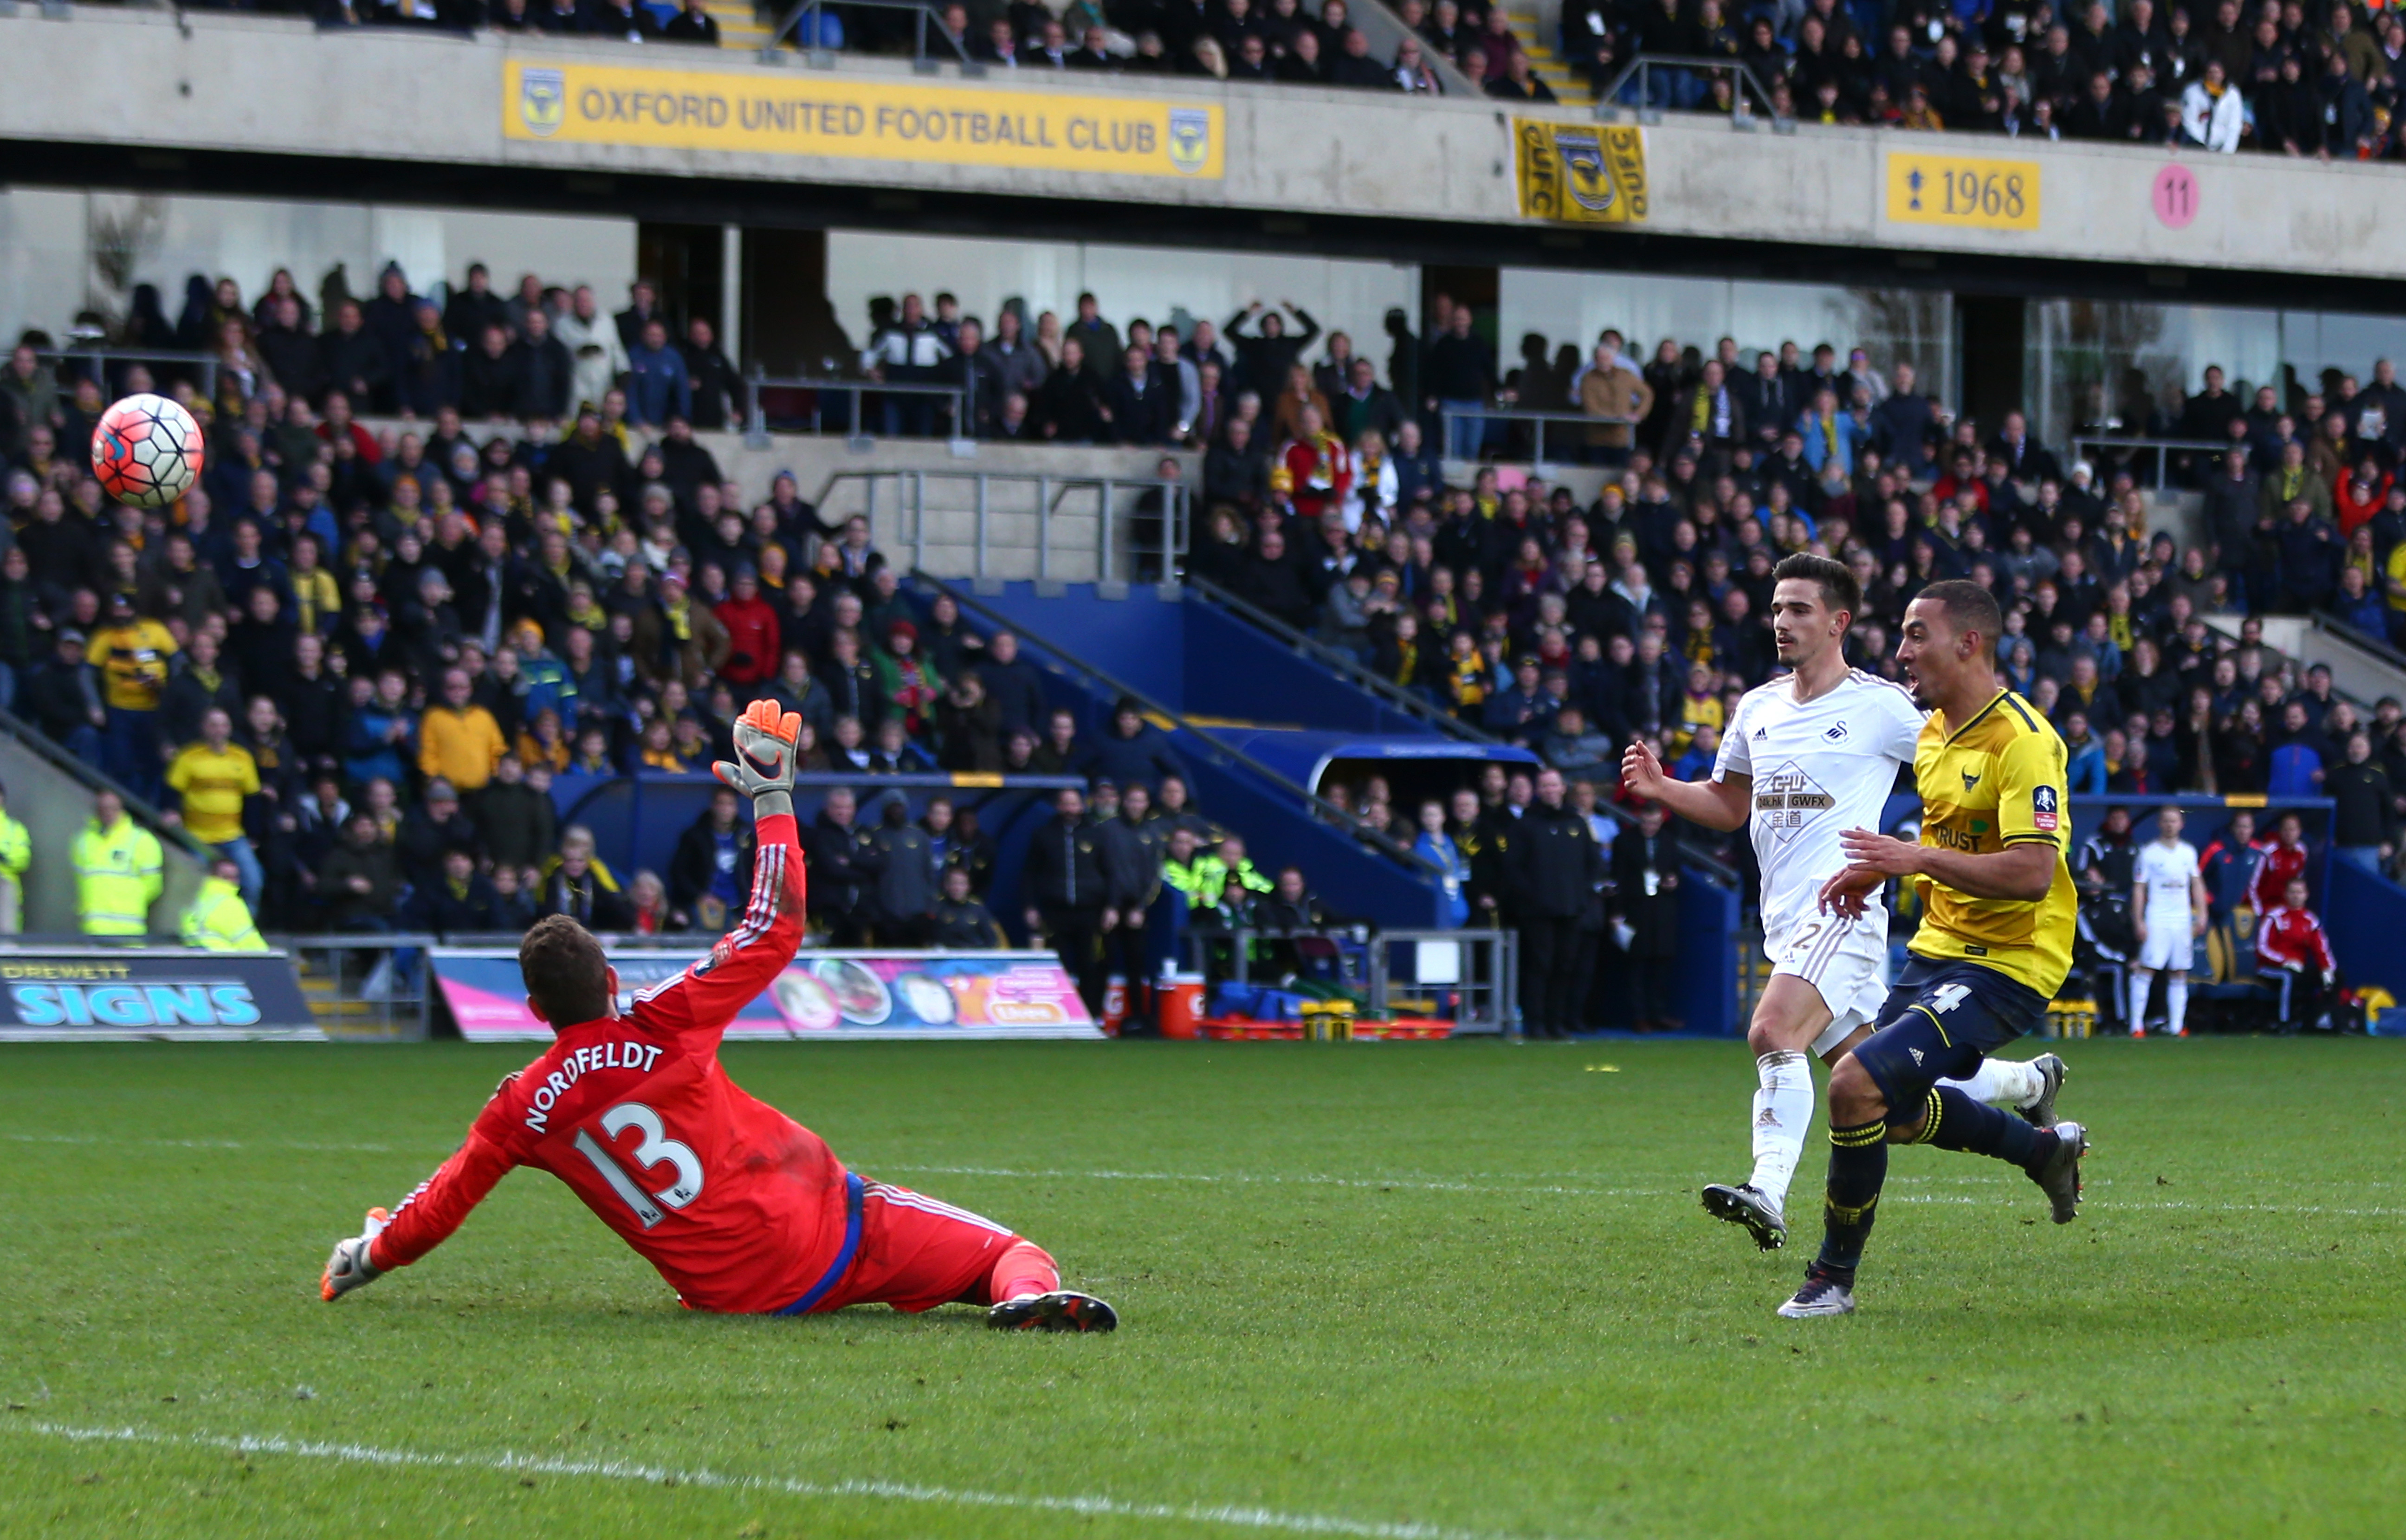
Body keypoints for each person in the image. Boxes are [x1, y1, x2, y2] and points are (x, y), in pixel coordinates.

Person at [321, 702, 1115, 1333]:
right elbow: (772, 926)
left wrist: (367, 1254)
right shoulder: (660, 1021)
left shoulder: (523, 1105)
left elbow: (441, 1203)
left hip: (735, 1295)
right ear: (607, 976)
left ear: (534, 1010)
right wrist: (772, 798)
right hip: (831, 1231)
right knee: (1011, 1250)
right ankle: (1024, 1294)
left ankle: (1014, 1296)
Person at [1624, 554, 2060, 1249]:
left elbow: (1959, 761)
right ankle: (2027, 1096)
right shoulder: (1757, 708)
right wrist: (1663, 789)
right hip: (1785, 922)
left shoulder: (1883, 706)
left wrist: (1918, 853)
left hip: (1842, 915)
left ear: (1839, 622)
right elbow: (1732, 804)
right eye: (1775, 609)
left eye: (1798, 609)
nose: (1782, 622)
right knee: (1893, 1104)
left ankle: (1766, 1188)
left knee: (1771, 1031)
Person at [1787, 580, 2090, 1318]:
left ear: (1969, 643)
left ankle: (1832, 1279)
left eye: (1916, 635)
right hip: (1938, 949)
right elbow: (1945, 846)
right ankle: (2041, 1148)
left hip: (2011, 959)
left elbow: (2030, 872)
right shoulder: (1931, 736)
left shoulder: (2023, 740)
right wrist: (1875, 870)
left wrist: (1912, 858)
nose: (1900, 651)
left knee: (1853, 1085)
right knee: (1884, 1112)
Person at [1505, 767, 1604, 1040]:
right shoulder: (1526, 825)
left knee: (1565, 966)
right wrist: (1533, 898)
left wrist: (1581, 896)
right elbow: (1514, 868)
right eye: (1545, 786)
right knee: (1540, 966)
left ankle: (1556, 1023)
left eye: (1554, 786)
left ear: (1563, 789)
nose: (1550, 790)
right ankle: (1535, 1024)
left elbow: (1593, 863)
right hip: (1537, 913)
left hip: (1572, 911)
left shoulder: (1576, 823)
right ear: (1538, 791)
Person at [165, 705, 265, 912]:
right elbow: (172, 791)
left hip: (233, 835)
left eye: (223, 725)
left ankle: (241, 924)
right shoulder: (188, 756)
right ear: (204, 728)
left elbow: (253, 798)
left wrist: (254, 834)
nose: (219, 730)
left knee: (253, 881)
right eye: (213, 725)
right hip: (198, 836)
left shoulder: (242, 757)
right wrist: (172, 811)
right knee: (197, 887)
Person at [1022, 786, 1107, 1013]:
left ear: (1082, 805)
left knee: (1089, 965)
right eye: (1065, 804)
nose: (1070, 809)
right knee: (1056, 966)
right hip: (1055, 911)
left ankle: (1092, 1016)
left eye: (1074, 803)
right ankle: (1056, 1014)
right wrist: (1030, 906)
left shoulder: (1096, 834)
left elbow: (1109, 872)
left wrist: (1111, 907)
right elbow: (1030, 873)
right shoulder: (1043, 835)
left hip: (1089, 911)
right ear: (1058, 806)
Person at [2129, 805, 2207, 1039]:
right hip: (2157, 917)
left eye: (2174, 821)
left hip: (2182, 919)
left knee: (2179, 971)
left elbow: (2197, 884)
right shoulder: (2149, 853)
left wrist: (2202, 914)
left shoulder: (2188, 853)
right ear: (2159, 824)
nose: (2170, 825)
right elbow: (2139, 889)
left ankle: (2176, 1026)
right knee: (2147, 969)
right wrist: (2139, 921)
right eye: (2166, 821)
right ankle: (2136, 1026)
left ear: (2181, 824)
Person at [72, 788, 163, 938]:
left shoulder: (141, 841)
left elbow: (153, 886)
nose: (108, 813)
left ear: (122, 809)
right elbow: (81, 881)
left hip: (129, 929)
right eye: (103, 808)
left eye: (113, 808)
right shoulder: (83, 841)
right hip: (91, 930)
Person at [2255, 875, 2337, 1032]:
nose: (2296, 896)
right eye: (2292, 892)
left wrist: (2327, 969)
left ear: (2306, 895)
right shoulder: (2275, 917)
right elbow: (2262, 948)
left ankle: (2322, 1020)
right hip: (2270, 968)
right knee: (2288, 977)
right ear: (2286, 894)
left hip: (2299, 968)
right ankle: (2284, 1022)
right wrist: (2285, 961)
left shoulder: (2310, 920)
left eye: (2300, 892)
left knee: (2335, 977)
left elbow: (2322, 948)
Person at [181, 854, 269, 951]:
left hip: (195, 958)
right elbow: (251, 944)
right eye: (231, 877)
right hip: (224, 960)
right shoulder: (231, 904)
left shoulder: (195, 898)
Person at [933, 865, 1008, 948]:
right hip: (946, 956)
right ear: (946, 886)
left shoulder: (978, 909)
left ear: (968, 887)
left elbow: (992, 940)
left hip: (974, 956)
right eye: (954, 883)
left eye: (961, 884)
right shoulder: (937, 909)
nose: (957, 888)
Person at [0, 779, 29, 934]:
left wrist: (3, 858)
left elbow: (22, 859)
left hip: (5, 887)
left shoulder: (14, 829)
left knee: (6, 940)